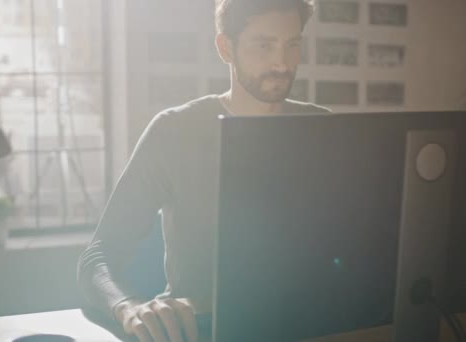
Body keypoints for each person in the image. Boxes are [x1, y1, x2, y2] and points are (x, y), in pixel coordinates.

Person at [77, 0, 329, 341]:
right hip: (200, 331)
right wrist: (130, 307)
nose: (281, 63)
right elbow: (98, 257)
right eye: (264, 45)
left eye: (292, 44)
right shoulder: (175, 130)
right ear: (226, 47)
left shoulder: (324, 128)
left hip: (306, 327)